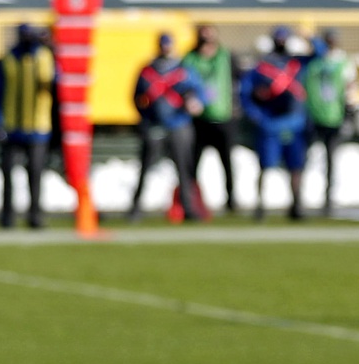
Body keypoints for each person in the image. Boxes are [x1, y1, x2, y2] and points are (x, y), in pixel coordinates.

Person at [129, 33, 207, 223]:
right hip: (155, 125)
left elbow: (200, 93)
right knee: (145, 166)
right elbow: (136, 97)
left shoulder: (184, 70)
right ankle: (136, 208)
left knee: (184, 168)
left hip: (179, 124)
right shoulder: (148, 70)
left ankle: (188, 207)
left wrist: (194, 102)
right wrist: (146, 117)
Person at [242, 26, 312, 221]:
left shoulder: (297, 63)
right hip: (271, 124)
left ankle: (297, 204)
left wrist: (307, 36)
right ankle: (260, 205)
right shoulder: (263, 67)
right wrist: (256, 115)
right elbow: (246, 93)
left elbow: (320, 53)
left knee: (296, 167)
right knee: (265, 166)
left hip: (294, 123)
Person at [0, 23, 51, 229]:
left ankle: (35, 217)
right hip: (12, 128)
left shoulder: (44, 57)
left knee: (35, 174)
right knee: (8, 176)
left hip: (38, 128)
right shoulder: (8, 60)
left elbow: (56, 83)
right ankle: (7, 218)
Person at [184, 24, 241, 214]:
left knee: (227, 162)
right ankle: (192, 201)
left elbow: (239, 79)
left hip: (223, 118)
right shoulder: (190, 59)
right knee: (193, 163)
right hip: (200, 121)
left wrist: (235, 106)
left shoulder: (226, 56)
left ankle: (231, 200)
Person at [304, 29, 357, 218]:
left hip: (334, 117)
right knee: (305, 158)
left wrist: (349, 115)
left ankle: (328, 197)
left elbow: (349, 90)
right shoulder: (314, 62)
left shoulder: (343, 63)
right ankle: (301, 198)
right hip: (313, 115)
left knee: (331, 159)